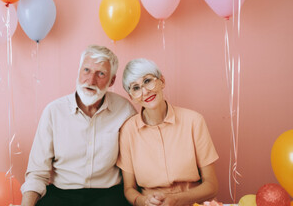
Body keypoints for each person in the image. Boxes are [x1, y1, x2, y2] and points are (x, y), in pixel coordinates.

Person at [19, 45, 137, 206]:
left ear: (112, 81)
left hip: (108, 196)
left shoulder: (125, 110)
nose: (91, 80)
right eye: (86, 70)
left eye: (101, 73)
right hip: (62, 195)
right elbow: (37, 174)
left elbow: (136, 165)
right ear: (79, 71)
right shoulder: (54, 111)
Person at [117, 58, 219, 206]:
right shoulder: (128, 131)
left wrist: (177, 200)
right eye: (136, 88)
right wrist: (143, 201)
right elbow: (129, 188)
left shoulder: (194, 121)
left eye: (147, 81)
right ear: (131, 96)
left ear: (162, 81)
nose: (145, 91)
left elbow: (212, 185)